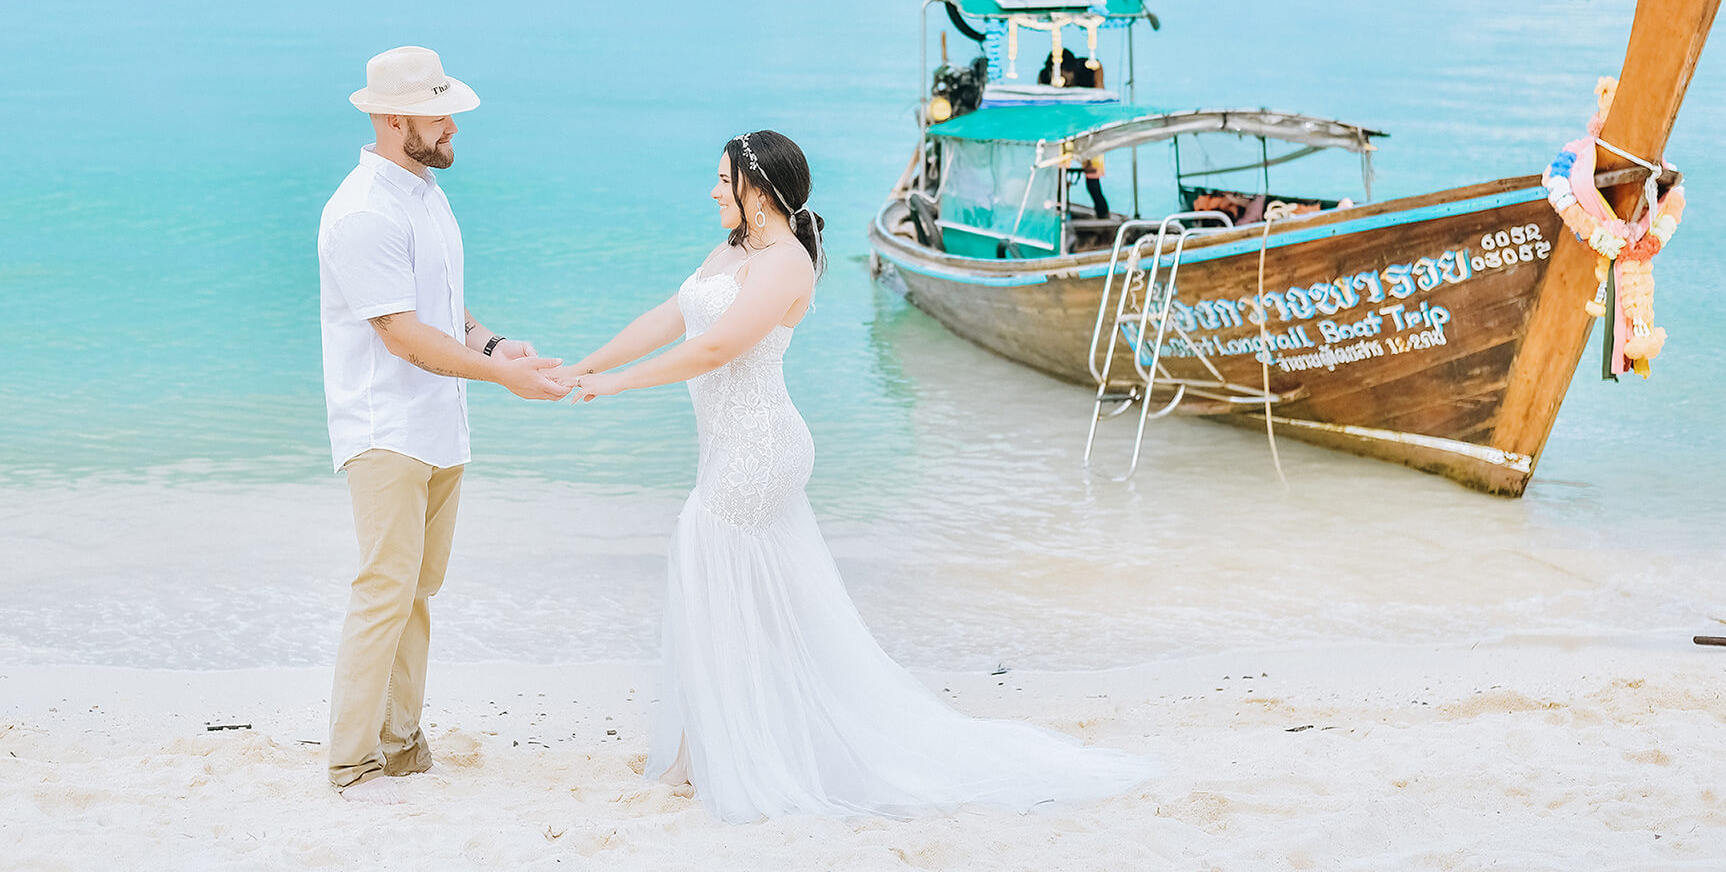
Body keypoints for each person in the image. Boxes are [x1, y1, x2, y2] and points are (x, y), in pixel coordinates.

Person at [564, 130, 1154, 820]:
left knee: (713, 575)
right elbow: (670, 318)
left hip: (761, 448)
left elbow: (720, 346)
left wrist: (620, 387)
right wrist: (585, 366)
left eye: (725, 181)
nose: (714, 191)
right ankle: (714, 747)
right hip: (728, 447)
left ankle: (726, 752)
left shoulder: (785, 261)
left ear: (757, 190)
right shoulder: (732, 251)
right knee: (738, 600)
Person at [316, 45, 567, 804]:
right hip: (384, 426)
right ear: (394, 119)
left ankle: (399, 745)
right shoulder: (362, 210)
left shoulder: (427, 194)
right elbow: (401, 334)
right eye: (439, 111)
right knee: (384, 590)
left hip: (438, 424)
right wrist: (505, 379)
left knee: (417, 592)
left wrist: (495, 346)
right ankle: (351, 761)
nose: (453, 123)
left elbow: (442, 312)